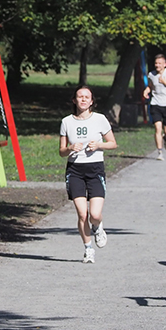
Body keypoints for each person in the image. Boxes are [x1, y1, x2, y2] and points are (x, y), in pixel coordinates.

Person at [59, 86, 117, 263]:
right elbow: (61, 151)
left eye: (87, 97)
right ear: (74, 100)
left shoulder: (100, 119)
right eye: (80, 97)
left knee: (95, 214)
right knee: (82, 214)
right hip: (75, 170)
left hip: (95, 169)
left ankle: (98, 227)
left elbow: (113, 143)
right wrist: (69, 148)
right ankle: (88, 248)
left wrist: (99, 145)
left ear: (92, 101)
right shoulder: (66, 122)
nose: (83, 100)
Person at [143, 53, 166, 160]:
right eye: (156, 63)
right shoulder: (151, 75)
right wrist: (146, 90)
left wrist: (165, 83)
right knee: (157, 128)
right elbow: (150, 86)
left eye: (159, 63)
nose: (157, 65)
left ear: (164, 64)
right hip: (155, 103)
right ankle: (159, 152)